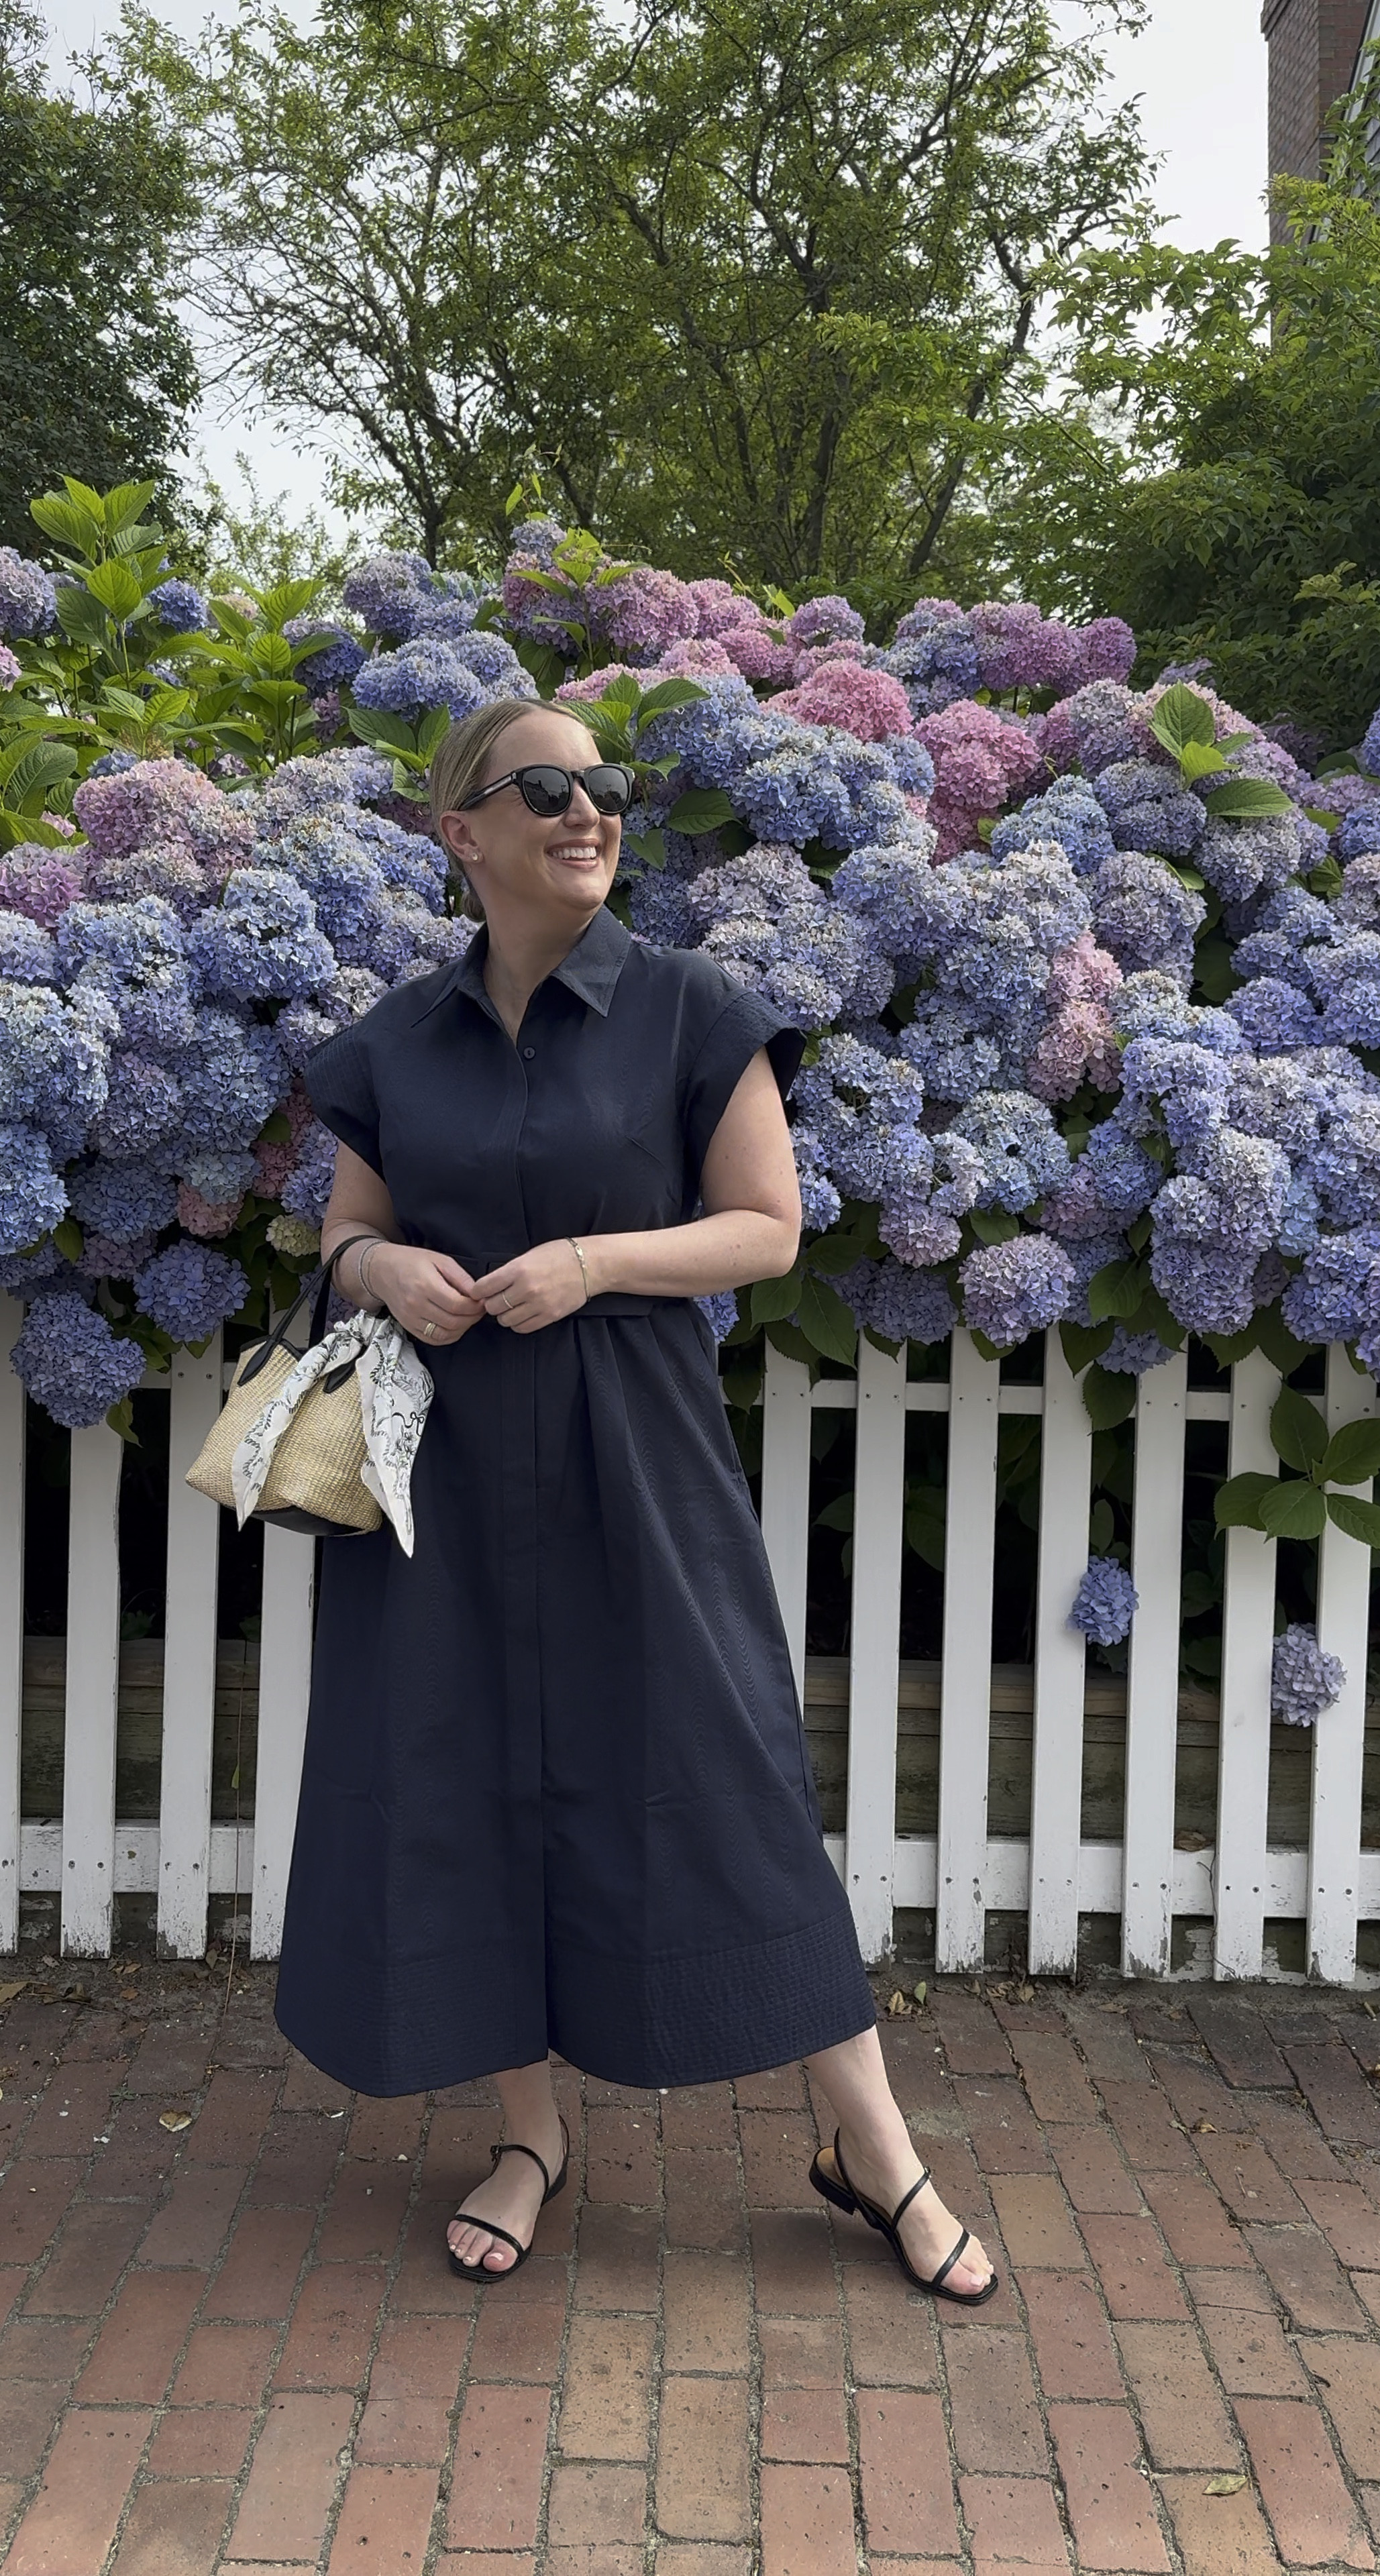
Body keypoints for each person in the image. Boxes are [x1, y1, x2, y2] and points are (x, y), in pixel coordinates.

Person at [272, 694, 997, 2308]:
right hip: (442, 1468)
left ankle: (873, 2146)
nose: (588, 808)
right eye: (546, 786)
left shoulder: (689, 1008)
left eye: (603, 782)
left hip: (637, 1459)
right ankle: (528, 2135)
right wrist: (383, 1270)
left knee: (724, 1781)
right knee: (461, 1777)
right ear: (462, 832)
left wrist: (592, 1264)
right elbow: (343, 1238)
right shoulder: (396, 1041)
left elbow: (769, 1229)